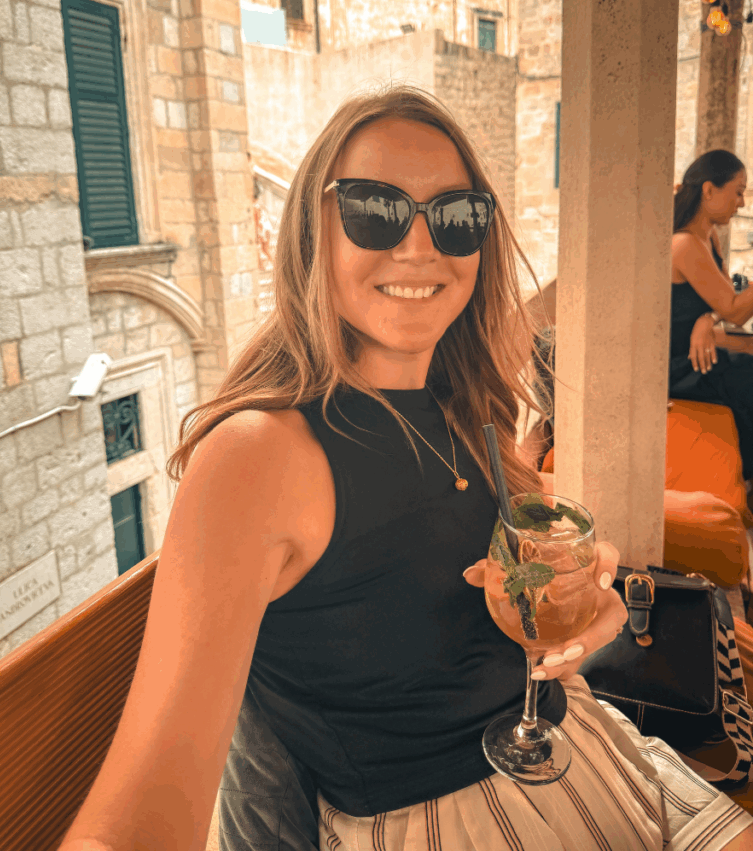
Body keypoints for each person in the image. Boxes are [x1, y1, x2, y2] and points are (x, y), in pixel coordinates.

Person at [59, 89, 753, 851]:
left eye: (456, 216)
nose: (421, 246)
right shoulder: (254, 456)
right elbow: (136, 821)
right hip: (457, 820)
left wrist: (587, 594)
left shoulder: (467, 409)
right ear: (313, 231)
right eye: (375, 209)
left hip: (588, 746)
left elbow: (467, 578)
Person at [671, 150, 753, 482]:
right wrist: (720, 313)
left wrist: (708, 318)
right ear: (708, 190)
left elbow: (725, 298)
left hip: (695, 353)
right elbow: (736, 309)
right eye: (738, 191)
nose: (742, 203)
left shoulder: (708, 237)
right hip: (677, 365)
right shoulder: (685, 244)